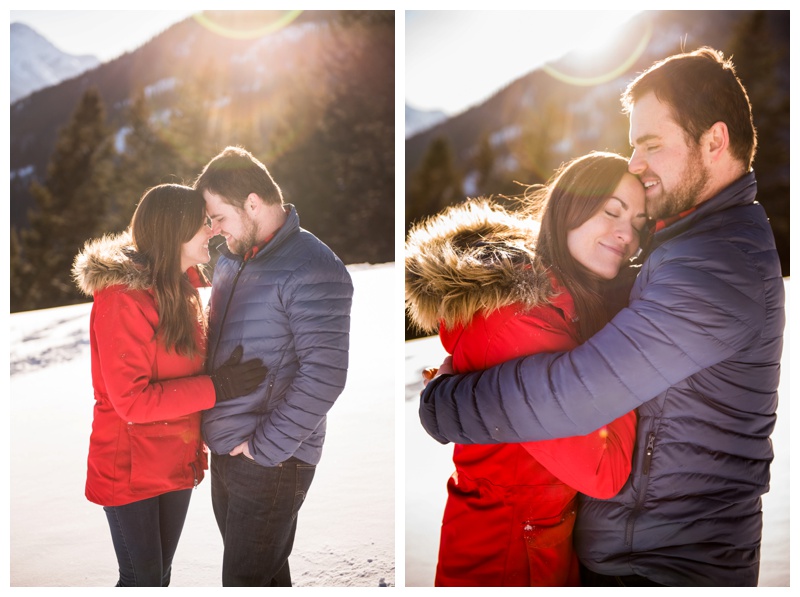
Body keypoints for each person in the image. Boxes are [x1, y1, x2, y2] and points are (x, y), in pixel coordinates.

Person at [419, 47, 785, 587]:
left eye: (651, 144)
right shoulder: (689, 244)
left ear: (715, 140)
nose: (636, 163)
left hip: (664, 566)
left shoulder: (717, 264)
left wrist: (446, 403)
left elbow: (578, 394)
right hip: (628, 553)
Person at [405, 152, 643, 586]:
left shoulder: (554, 297)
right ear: (569, 208)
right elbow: (604, 472)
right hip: (508, 558)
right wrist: (624, 340)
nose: (628, 234)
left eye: (640, 222)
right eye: (612, 210)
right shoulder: (518, 319)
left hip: (530, 543)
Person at [71, 183, 268, 586]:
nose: (211, 231)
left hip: (175, 459)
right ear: (173, 231)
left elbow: (184, 365)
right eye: (202, 223)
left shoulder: (183, 288)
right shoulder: (122, 299)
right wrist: (218, 387)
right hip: (129, 467)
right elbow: (132, 401)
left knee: (160, 577)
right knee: (142, 579)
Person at [194, 146, 354, 587]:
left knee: (245, 582)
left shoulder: (313, 266)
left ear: (252, 202)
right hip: (230, 447)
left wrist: (263, 448)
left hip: (272, 457)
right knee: (263, 578)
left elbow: (324, 375)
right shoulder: (233, 257)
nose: (213, 231)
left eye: (218, 217)